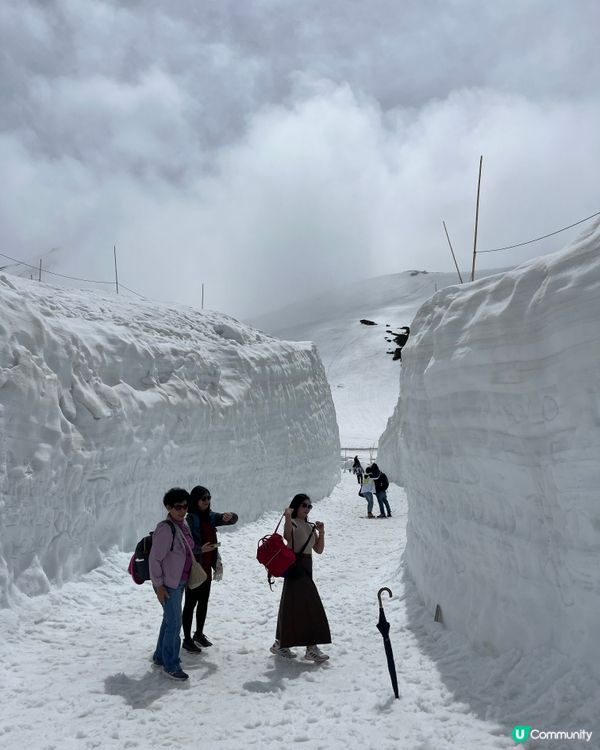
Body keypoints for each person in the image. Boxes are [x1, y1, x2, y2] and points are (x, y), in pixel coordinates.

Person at [270, 494, 331, 663]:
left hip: (306, 567)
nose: (307, 509)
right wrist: (288, 516)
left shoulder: (309, 526)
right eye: (304, 505)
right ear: (296, 506)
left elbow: (318, 549)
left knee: (291, 606)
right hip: (295, 568)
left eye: (309, 506)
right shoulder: (294, 523)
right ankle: (311, 648)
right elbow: (287, 536)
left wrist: (322, 532)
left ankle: (280, 644)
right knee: (311, 606)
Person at [182, 485, 238, 652]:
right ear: (195, 500)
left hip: (207, 567)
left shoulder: (210, 516)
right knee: (190, 603)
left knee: (203, 602)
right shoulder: (190, 519)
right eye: (203, 499)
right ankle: (187, 639)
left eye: (208, 498)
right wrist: (200, 549)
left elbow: (232, 520)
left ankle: (199, 634)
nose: (206, 501)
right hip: (194, 567)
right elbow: (186, 545)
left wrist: (231, 516)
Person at [149, 487, 196, 681]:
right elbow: (155, 559)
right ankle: (171, 664)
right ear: (168, 507)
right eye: (178, 507)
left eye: (185, 506)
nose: (183, 510)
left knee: (169, 620)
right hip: (168, 584)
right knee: (174, 623)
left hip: (179, 581)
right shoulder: (165, 529)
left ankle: (161, 656)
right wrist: (159, 585)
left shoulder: (183, 524)